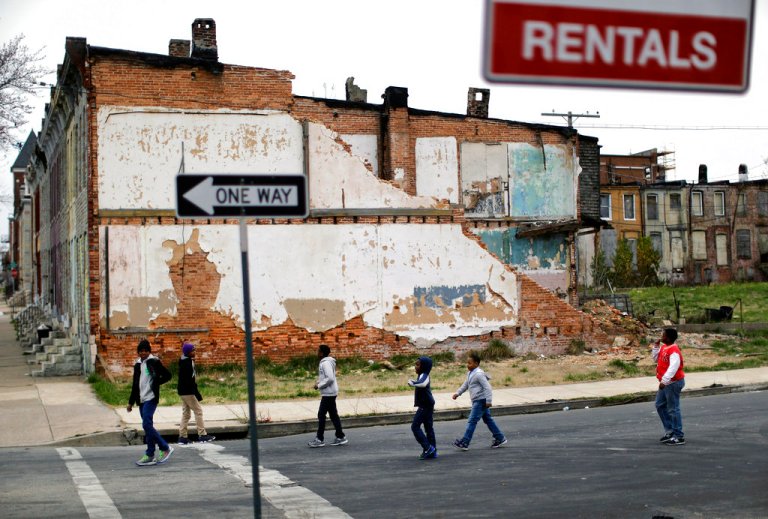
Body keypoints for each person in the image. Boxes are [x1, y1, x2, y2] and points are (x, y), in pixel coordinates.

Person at [127, 339, 174, 466]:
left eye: (146, 351)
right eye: (141, 351)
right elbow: (135, 385)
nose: (143, 353)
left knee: (146, 424)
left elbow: (168, 375)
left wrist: (155, 383)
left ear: (149, 351)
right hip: (141, 399)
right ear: (138, 352)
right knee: (148, 427)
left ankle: (165, 447)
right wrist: (131, 402)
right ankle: (150, 454)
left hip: (151, 398)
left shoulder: (154, 362)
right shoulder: (137, 365)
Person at [452, 351, 507, 450]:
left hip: (480, 400)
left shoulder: (478, 374)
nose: (467, 365)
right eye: (467, 363)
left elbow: (488, 387)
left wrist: (489, 401)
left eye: (470, 363)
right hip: (478, 400)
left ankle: (465, 442)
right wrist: (458, 393)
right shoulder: (470, 373)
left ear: (476, 364)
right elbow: (465, 385)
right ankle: (500, 437)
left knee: (472, 421)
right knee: (488, 420)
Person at [307, 344, 348, 448]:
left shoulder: (325, 363)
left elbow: (329, 378)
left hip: (328, 393)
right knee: (333, 415)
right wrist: (318, 382)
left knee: (321, 415)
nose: (317, 353)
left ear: (321, 353)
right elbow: (326, 376)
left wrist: (319, 386)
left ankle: (319, 439)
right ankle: (340, 437)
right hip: (330, 392)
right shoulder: (327, 362)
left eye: (318, 351)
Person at [177, 342, 215, 445]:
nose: (194, 352)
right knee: (198, 411)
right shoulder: (187, 363)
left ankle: (182, 437)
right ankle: (202, 435)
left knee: (186, 414)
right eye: (192, 351)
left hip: (183, 391)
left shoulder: (185, 360)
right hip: (188, 391)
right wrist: (196, 394)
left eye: (194, 350)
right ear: (188, 352)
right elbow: (190, 380)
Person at [653, 328, 686, 446]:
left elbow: (674, 367)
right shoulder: (664, 348)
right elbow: (656, 359)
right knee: (660, 405)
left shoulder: (674, 350)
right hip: (666, 383)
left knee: (673, 409)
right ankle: (670, 431)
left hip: (672, 383)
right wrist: (656, 346)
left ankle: (678, 436)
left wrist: (665, 380)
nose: (661, 336)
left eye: (663, 335)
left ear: (668, 337)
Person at [408, 356, 437, 460]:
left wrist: (413, 383)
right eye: (415, 364)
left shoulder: (424, 375)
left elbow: (423, 384)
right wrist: (415, 382)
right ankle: (433, 451)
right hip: (428, 404)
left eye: (418, 365)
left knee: (415, 427)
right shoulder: (421, 375)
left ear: (424, 366)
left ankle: (428, 448)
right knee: (428, 428)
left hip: (425, 405)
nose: (415, 367)